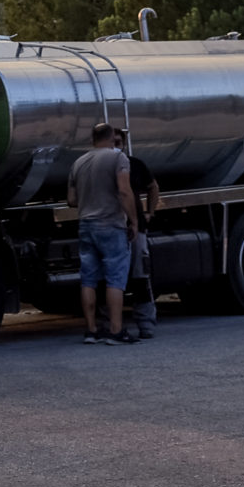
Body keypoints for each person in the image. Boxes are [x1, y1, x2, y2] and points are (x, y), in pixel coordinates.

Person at [68, 123, 138, 346]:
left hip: (86, 225)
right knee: (115, 279)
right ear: (111, 139)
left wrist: (90, 200)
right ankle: (115, 331)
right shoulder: (118, 159)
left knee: (88, 279)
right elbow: (124, 191)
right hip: (110, 224)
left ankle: (91, 330)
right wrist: (134, 221)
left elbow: (71, 199)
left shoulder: (78, 163)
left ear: (92, 139)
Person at [124, 148, 162, 340]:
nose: (115, 145)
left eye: (118, 142)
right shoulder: (105, 165)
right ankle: (112, 324)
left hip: (136, 229)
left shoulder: (135, 164)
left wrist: (150, 212)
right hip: (115, 228)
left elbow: (153, 186)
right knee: (113, 279)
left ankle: (146, 322)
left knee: (140, 275)